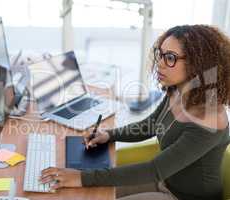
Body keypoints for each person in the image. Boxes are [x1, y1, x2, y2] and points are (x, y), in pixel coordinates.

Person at [40, 25, 230, 200]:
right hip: (164, 181)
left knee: (88, 188)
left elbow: (154, 169)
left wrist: (80, 178)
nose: (160, 64)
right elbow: (150, 124)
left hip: (182, 196)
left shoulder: (211, 119)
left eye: (170, 57)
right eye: (160, 54)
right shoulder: (178, 89)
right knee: (83, 193)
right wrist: (108, 135)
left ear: (198, 64)